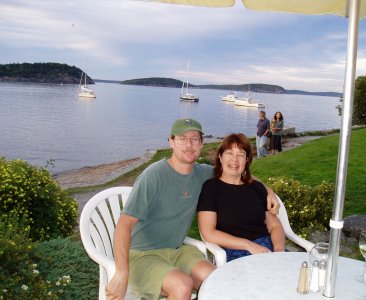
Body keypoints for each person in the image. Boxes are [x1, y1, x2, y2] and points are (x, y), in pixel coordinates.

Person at [105, 119, 281, 300]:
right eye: (182, 139)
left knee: (217, 279)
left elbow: (236, 172)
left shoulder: (202, 173)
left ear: (201, 143)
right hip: (141, 255)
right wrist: (121, 272)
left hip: (177, 250)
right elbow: (124, 225)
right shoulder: (153, 176)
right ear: (171, 142)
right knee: (182, 285)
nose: (189, 145)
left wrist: (268, 190)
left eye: (195, 139)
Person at [197, 133, 286, 262]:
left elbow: (274, 226)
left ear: (246, 160)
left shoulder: (256, 187)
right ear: (220, 158)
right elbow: (208, 232)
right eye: (229, 153)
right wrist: (248, 244)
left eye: (240, 154)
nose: (235, 159)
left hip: (266, 248)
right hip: (233, 251)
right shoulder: (211, 189)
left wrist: (279, 250)